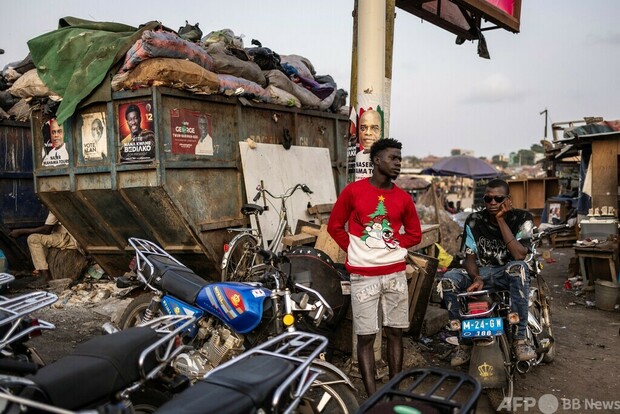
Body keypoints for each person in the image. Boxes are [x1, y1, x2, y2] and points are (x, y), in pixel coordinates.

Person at [327, 138, 422, 396]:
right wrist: (356, 250)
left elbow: (415, 234)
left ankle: (394, 393)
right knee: (366, 337)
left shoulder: (403, 198)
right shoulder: (353, 192)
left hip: (395, 275)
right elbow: (334, 226)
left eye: (400, 159)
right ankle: (372, 397)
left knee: (395, 334)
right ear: (377, 160)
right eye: (393, 158)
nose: (398, 164)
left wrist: (390, 245)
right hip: (362, 277)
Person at [439, 178, 536, 367]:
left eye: (498, 198)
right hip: (480, 273)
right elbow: (469, 256)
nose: (492, 203)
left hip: (507, 271)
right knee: (448, 280)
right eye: (488, 199)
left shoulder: (522, 218)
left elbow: (519, 254)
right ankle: (464, 342)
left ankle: (519, 339)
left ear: (507, 199)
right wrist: (476, 277)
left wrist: (500, 220)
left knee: (519, 269)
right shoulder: (474, 220)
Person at [8, 210, 79, 287]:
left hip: (68, 239)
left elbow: (46, 230)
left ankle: (46, 277)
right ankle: (42, 273)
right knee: (41, 239)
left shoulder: (54, 207)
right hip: (66, 236)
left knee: (33, 239)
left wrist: (20, 232)